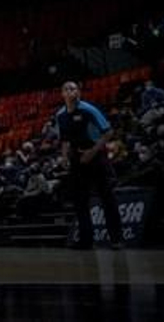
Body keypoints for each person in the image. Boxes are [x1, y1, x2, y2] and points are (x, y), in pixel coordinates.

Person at [54, 81, 125, 249]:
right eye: (67, 89)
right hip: (77, 159)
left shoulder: (89, 109)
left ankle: (116, 239)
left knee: (107, 198)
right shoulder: (60, 115)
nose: (71, 91)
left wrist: (91, 152)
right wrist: (64, 157)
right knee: (80, 201)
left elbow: (108, 132)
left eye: (74, 88)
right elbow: (64, 139)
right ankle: (86, 240)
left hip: (96, 156)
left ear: (78, 92)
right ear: (62, 94)